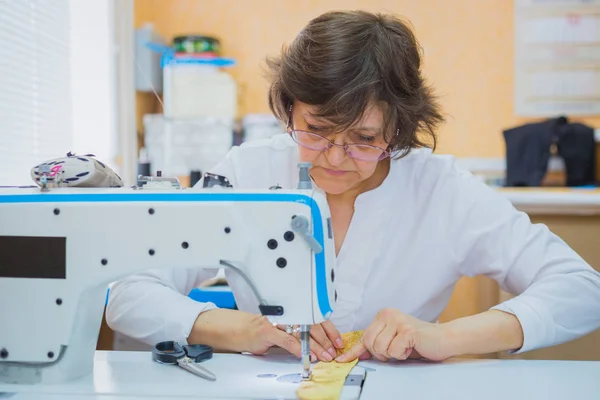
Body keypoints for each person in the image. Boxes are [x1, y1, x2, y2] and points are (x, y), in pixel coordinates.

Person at [106, 10, 600, 363]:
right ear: (288, 109)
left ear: (400, 128)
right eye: (316, 130)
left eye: (364, 138)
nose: (336, 157)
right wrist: (240, 328)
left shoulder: (441, 191)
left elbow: (582, 291)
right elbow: (129, 290)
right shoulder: (248, 171)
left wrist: (444, 338)